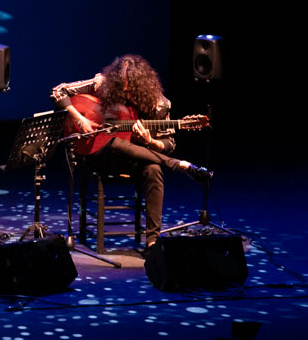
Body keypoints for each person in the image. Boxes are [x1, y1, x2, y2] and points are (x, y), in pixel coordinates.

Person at [51, 54, 212, 249]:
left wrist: (150, 141)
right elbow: (59, 91)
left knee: (153, 169)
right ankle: (179, 165)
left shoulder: (159, 104)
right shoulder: (102, 83)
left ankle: (152, 242)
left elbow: (169, 144)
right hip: (98, 154)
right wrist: (79, 118)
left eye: (130, 89)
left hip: (138, 157)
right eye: (121, 87)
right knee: (115, 141)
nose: (125, 91)